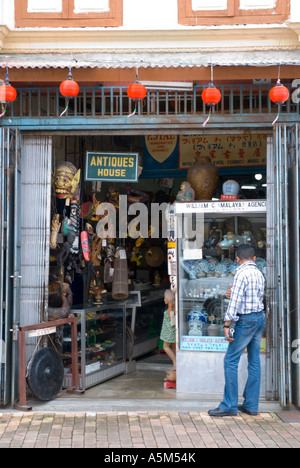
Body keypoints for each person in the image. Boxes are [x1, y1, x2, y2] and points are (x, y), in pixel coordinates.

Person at [208, 244, 265, 417]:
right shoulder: (259, 273)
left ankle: (229, 405)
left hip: (246, 320)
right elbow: (252, 296)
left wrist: (226, 325)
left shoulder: (241, 272)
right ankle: (251, 405)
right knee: (254, 362)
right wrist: (233, 294)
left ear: (237, 259)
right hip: (259, 318)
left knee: (230, 361)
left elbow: (234, 304)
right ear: (254, 258)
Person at [160, 289, 176, 369]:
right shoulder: (175, 305)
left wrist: (170, 305)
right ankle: (175, 363)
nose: (164, 300)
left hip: (169, 332)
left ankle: (175, 361)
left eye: (165, 298)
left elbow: (170, 316)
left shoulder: (171, 306)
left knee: (166, 347)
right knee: (174, 347)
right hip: (173, 331)